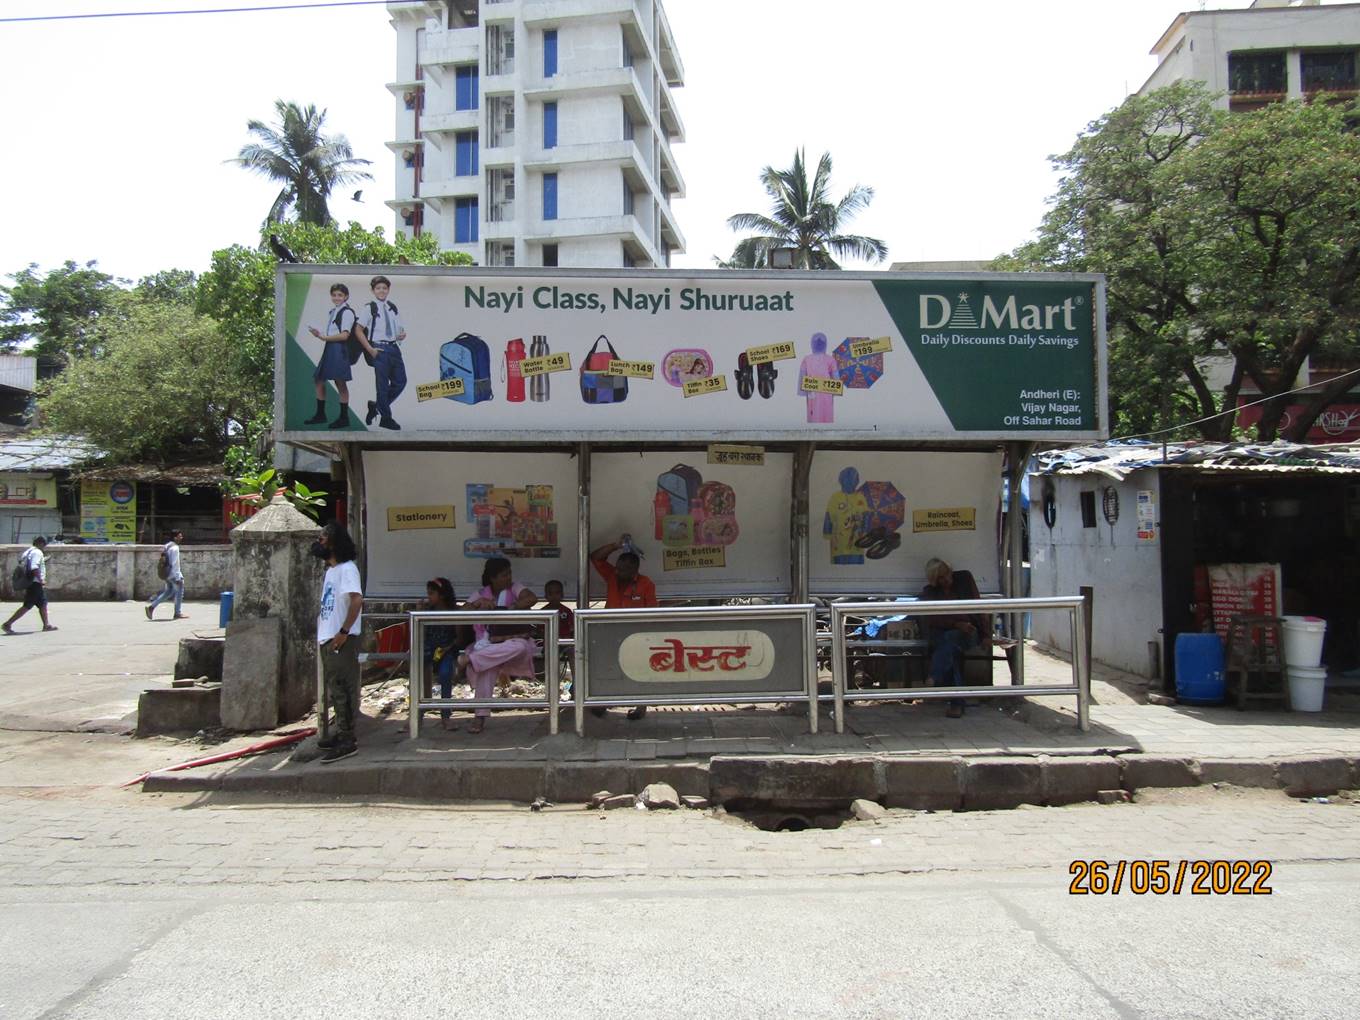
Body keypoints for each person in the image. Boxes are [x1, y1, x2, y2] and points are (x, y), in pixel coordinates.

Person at [456, 557, 537, 735]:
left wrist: (512, 608)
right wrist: (477, 604)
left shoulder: (515, 588)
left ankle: (469, 659)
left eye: (509, 573)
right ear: (493, 578)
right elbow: (461, 612)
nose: (509, 578)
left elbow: (532, 598)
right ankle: (480, 716)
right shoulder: (480, 594)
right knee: (487, 666)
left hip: (512, 645)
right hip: (486, 646)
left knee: (521, 647)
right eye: (504, 575)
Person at [590, 535, 658, 719]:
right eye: (618, 568)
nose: (618, 572)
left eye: (623, 570)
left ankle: (641, 706)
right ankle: (603, 702)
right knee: (607, 666)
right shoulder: (612, 576)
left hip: (636, 635)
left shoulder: (646, 584)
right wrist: (616, 545)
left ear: (634, 570)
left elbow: (653, 613)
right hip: (610, 631)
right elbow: (595, 557)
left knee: (638, 668)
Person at [315, 522, 364, 763]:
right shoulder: (331, 571)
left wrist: (344, 631)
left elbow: (356, 600)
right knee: (335, 689)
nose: (319, 543)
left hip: (340, 638)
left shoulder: (347, 569)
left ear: (333, 543)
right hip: (329, 637)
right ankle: (342, 732)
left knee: (343, 688)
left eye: (323, 538)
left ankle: (347, 738)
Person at [918, 557, 986, 718]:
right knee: (950, 649)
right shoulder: (930, 592)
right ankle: (957, 703)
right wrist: (956, 624)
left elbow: (979, 607)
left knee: (948, 643)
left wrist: (986, 634)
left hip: (967, 632)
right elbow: (933, 619)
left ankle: (935, 676)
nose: (947, 580)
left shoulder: (964, 580)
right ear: (935, 580)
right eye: (941, 578)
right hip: (945, 634)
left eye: (947, 574)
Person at [304, 283, 370, 428]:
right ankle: (321, 415)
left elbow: (344, 335)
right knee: (319, 379)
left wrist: (324, 338)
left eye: (340, 295)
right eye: (334, 295)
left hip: (339, 349)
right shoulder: (334, 311)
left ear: (346, 296)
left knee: (340, 382)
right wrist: (319, 334)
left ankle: (343, 418)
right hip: (331, 347)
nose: (336, 298)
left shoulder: (347, 312)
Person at [358, 274, 407, 431]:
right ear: (373, 290)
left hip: (393, 348)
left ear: (388, 290)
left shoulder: (392, 307)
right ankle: (386, 418)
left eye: (384, 288)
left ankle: (376, 406)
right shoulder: (369, 308)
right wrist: (370, 349)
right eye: (378, 288)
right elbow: (358, 330)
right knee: (382, 386)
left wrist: (401, 335)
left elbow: (397, 329)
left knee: (401, 382)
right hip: (379, 348)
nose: (381, 291)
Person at [424, 577, 472, 731]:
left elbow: (459, 638)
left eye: (431, 593)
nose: (428, 597)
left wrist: (448, 648)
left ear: (442, 595)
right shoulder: (426, 611)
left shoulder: (454, 612)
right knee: (418, 677)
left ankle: (446, 716)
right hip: (427, 650)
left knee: (445, 675)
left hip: (447, 651)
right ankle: (416, 714)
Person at [4, 537, 56, 634]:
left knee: (43, 603)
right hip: (35, 582)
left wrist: (43, 560)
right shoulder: (37, 552)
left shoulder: (27, 552)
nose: (44, 547)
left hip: (29, 581)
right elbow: (34, 567)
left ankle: (46, 625)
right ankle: (8, 624)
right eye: (44, 545)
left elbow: (27, 564)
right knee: (28, 605)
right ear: (41, 543)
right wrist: (40, 579)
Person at [145, 529, 188, 621]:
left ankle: (151, 607)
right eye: (180, 536)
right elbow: (175, 564)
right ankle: (177, 613)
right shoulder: (175, 548)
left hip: (166, 574)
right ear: (175, 537)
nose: (181, 538)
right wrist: (178, 577)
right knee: (179, 593)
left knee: (168, 592)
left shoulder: (167, 546)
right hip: (173, 575)